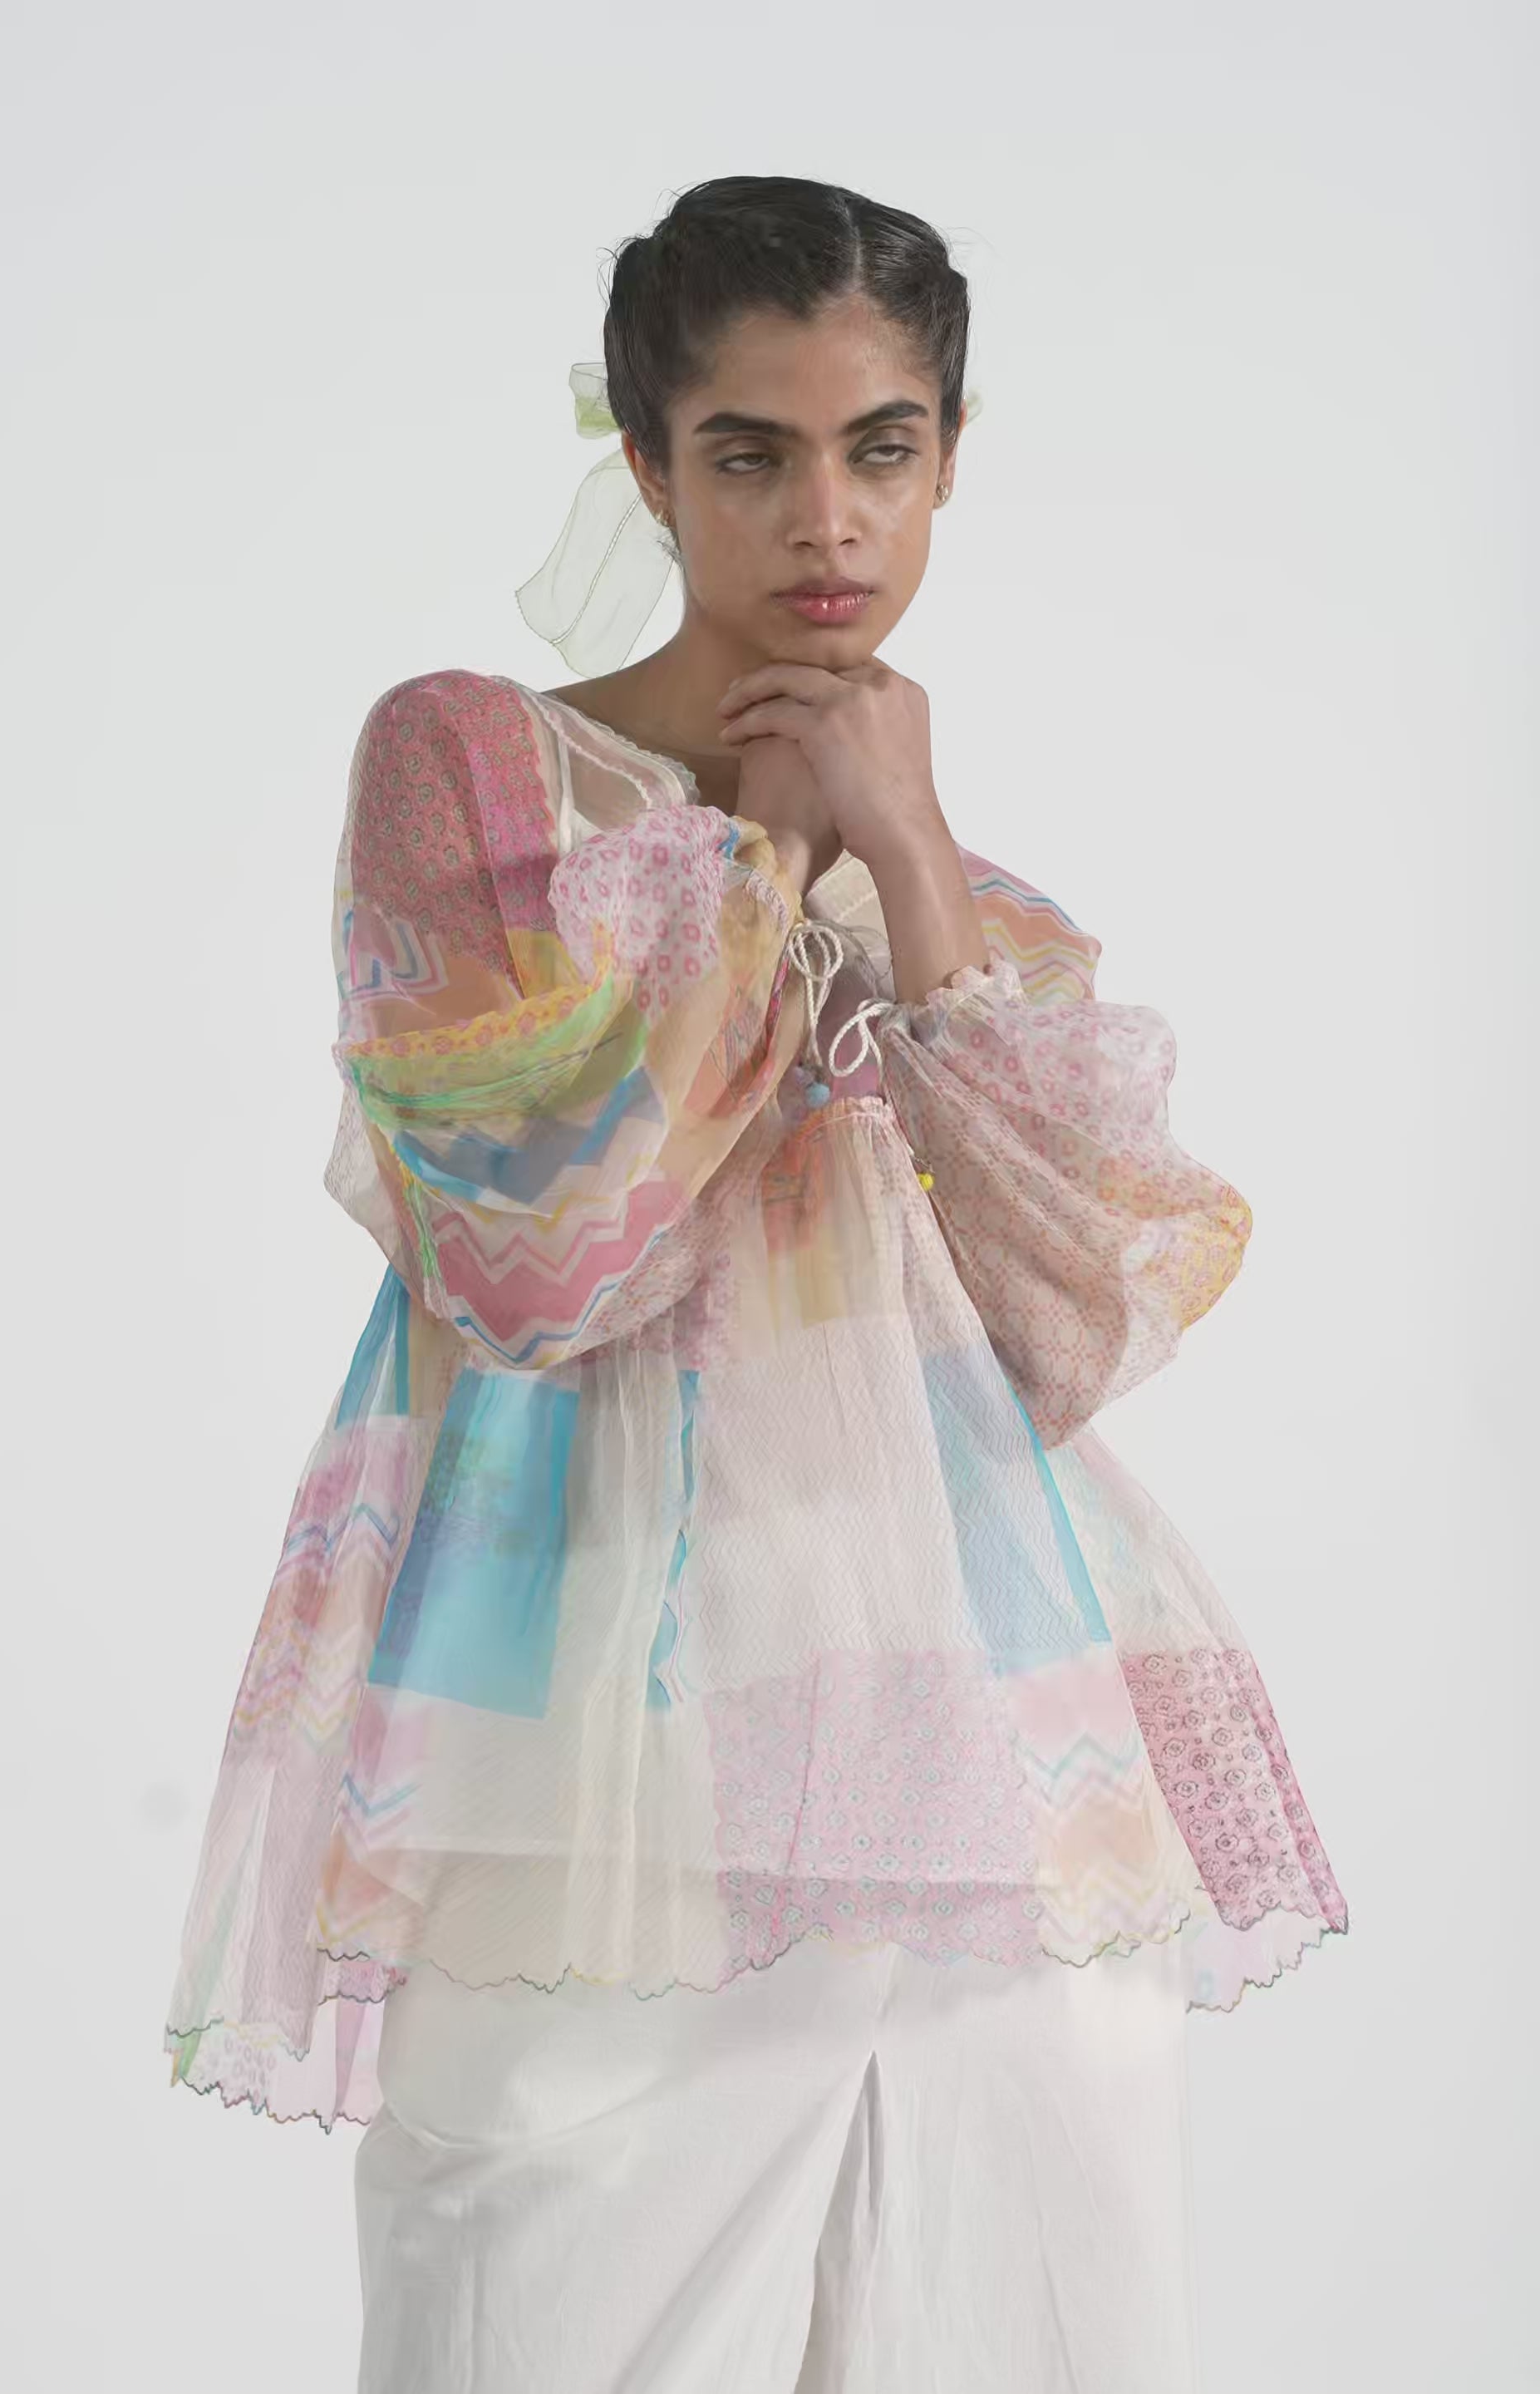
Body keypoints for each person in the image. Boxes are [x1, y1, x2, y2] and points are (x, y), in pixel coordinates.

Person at [163, 175, 1348, 2393]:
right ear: (644, 462)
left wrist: (909, 854)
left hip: (997, 1798)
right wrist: (778, 848)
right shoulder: (476, 768)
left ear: (950, 461)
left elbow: (1075, 1327)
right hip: (591, 1805)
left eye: (882, 448)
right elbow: (539, 1251)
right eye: (751, 452)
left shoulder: (972, 898)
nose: (828, 517)